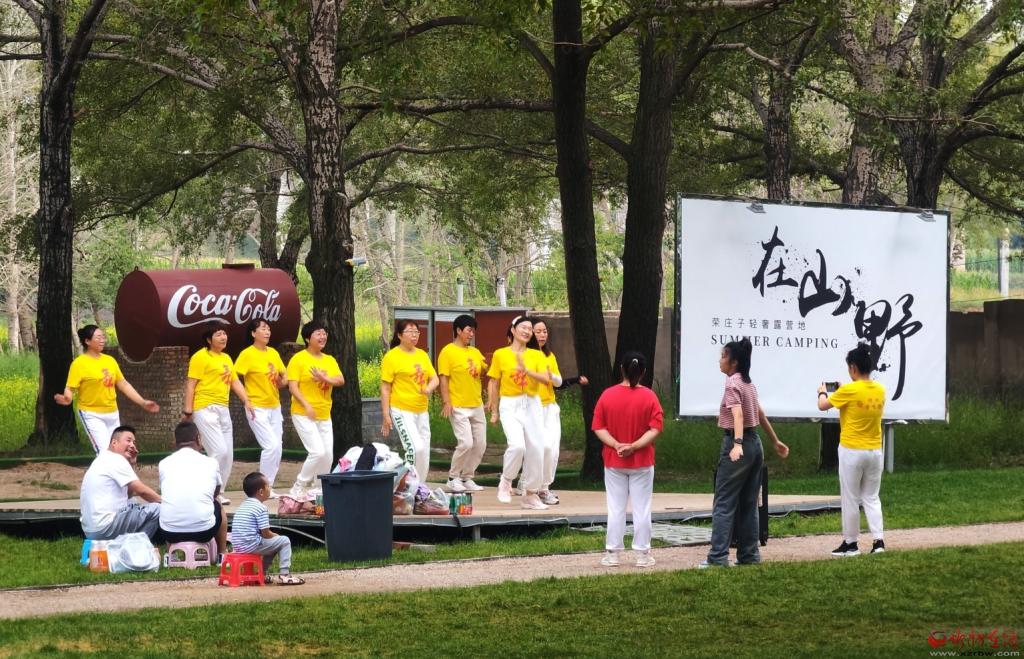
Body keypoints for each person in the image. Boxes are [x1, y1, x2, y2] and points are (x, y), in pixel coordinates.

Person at [702, 338, 789, 568]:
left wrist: (737, 443)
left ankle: (717, 557)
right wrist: (775, 440)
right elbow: (759, 413)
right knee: (750, 503)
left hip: (738, 444)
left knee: (724, 502)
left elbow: (738, 415)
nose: (720, 360)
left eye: (723, 356)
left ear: (734, 362)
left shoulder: (732, 383)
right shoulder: (748, 383)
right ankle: (749, 556)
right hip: (756, 444)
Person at [593, 351, 663, 568]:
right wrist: (634, 447)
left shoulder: (607, 395)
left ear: (621, 369)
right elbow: (655, 428)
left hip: (614, 461)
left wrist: (616, 445)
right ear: (643, 372)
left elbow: (598, 427)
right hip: (642, 461)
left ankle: (613, 553)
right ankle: (642, 555)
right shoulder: (650, 396)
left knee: (615, 508)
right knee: (642, 508)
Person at [818, 343, 887, 556]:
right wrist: (843, 388)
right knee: (872, 497)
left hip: (852, 451)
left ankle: (851, 543)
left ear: (853, 368)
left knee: (850, 498)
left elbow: (823, 405)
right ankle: (878, 542)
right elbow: (859, 394)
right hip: (875, 451)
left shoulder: (848, 390)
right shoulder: (880, 389)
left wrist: (822, 392)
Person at [55, 325, 160, 453]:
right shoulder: (79, 364)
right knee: (104, 451)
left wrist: (142, 402)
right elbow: (70, 388)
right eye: (98, 337)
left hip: (112, 413)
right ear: (87, 341)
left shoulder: (110, 361)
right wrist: (67, 398)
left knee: (118, 450)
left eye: (103, 337)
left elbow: (124, 384)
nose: (102, 340)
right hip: (91, 413)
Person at [182, 321, 255, 504]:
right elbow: (191, 385)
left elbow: (235, 382)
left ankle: (218, 492)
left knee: (228, 453)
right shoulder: (200, 357)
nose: (223, 337)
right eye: (218, 334)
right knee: (218, 451)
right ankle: (206, 490)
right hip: (204, 407)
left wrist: (247, 400)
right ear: (209, 339)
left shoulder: (226, 358)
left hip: (223, 408)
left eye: (224, 333)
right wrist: (188, 410)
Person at [487, 315, 551, 510]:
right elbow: (493, 382)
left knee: (538, 449)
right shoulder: (500, 354)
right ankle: (506, 481)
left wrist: (527, 371)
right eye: (523, 327)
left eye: (530, 329)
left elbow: (546, 379)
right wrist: (494, 410)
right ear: (513, 330)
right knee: (517, 446)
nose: (527, 331)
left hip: (532, 403)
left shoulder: (536, 355)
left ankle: (530, 495)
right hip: (510, 403)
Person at [531, 317, 588, 505]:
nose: (542, 335)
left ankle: (544, 488)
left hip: (550, 407)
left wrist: (573, 380)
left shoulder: (550, 356)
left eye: (544, 331)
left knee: (553, 449)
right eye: (538, 331)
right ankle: (531, 486)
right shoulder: (525, 356)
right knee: (540, 448)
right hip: (533, 408)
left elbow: (558, 383)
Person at [286, 320, 345, 498]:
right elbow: (292, 387)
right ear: (307, 338)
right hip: (303, 413)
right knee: (317, 452)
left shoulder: (329, 360)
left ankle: (319, 488)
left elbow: (340, 380)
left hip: (324, 413)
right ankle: (299, 485)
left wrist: (324, 378)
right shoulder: (298, 359)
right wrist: (307, 405)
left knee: (327, 455)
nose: (323, 336)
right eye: (318, 333)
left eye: (324, 333)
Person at [380, 320, 439, 484]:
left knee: (424, 452)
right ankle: (405, 486)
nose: (414, 335)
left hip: (422, 410)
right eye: (410, 332)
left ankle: (420, 487)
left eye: (416, 332)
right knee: (414, 448)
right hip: (402, 410)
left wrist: (428, 388)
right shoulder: (392, 357)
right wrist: (386, 415)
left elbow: (434, 378)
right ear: (399, 335)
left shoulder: (422, 355)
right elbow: (385, 388)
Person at [157, 422, 228, 556]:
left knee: (167, 504)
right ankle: (222, 554)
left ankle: (170, 553)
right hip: (204, 532)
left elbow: (163, 491)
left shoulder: (164, 463)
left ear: (175, 442)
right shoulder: (211, 463)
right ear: (198, 439)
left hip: (169, 533)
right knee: (218, 504)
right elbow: (216, 492)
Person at [234, 318, 288, 495]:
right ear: (253, 333)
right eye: (263, 329)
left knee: (277, 447)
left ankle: (268, 487)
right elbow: (234, 378)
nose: (267, 332)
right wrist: (246, 399)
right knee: (271, 446)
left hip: (274, 406)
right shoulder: (247, 354)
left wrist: (280, 380)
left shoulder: (273, 353)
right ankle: (261, 488)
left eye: (268, 329)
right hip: (256, 406)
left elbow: (284, 378)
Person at [79, 425, 161, 541]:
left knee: (133, 502)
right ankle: (139, 545)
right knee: (158, 509)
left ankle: (127, 544)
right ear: (114, 442)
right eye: (128, 440)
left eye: (134, 442)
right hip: (105, 527)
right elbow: (142, 491)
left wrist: (131, 463)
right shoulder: (116, 459)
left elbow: (128, 495)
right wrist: (167, 504)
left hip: (91, 531)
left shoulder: (103, 459)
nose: (132, 445)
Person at [437, 314, 487, 493]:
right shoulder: (447, 352)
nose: (472, 334)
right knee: (466, 443)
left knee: (480, 444)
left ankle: (467, 477)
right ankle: (453, 478)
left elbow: (484, 369)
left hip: (476, 404)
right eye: (469, 330)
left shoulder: (475, 352)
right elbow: (443, 379)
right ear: (458, 330)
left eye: (473, 331)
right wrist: (446, 402)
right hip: (458, 405)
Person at [232, 472, 304, 585]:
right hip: (251, 545)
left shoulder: (243, 506)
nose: (270, 489)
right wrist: (277, 536)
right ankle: (285, 575)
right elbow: (266, 534)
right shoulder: (261, 508)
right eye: (268, 486)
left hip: (238, 546)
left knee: (273, 544)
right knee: (284, 541)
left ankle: (261, 574)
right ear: (261, 492)